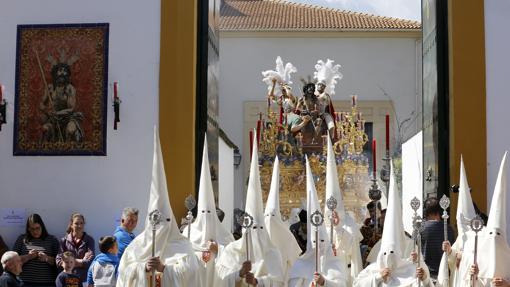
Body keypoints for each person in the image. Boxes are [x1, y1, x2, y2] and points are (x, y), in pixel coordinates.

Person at [116, 129, 201, 286]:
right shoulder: (137, 245)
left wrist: (164, 268)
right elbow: (123, 271)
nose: (159, 227)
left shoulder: (183, 245)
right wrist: (143, 268)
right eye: (155, 221)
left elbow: (192, 273)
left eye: (164, 221)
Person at [216, 134, 284, 286]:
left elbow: (279, 281)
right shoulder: (231, 251)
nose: (255, 233)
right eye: (252, 228)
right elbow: (220, 280)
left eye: (259, 228)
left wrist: (257, 281)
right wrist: (238, 274)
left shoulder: (273, 253)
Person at [354, 162, 434, 287]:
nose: (389, 257)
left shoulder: (410, 267)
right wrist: (378, 277)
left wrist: (423, 276)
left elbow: (425, 281)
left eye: (393, 253)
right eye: (386, 253)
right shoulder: (374, 269)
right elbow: (357, 283)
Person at [183, 135, 234, 286]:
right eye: (203, 213)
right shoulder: (188, 233)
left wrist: (218, 248)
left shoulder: (225, 236)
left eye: (209, 213)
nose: (206, 218)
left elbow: (234, 259)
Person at [288, 157, 348, 286]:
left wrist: (324, 282)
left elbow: (341, 285)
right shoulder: (299, 265)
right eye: (314, 242)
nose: (318, 247)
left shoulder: (336, 264)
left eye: (321, 241)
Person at [458, 152, 510, 286]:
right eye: (491, 234)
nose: (494, 239)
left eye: (498, 234)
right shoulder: (480, 259)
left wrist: (507, 283)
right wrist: (473, 275)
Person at [324, 136, 363, 285]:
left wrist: (339, 229)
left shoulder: (349, 222)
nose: (333, 214)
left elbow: (353, 251)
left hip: (345, 274)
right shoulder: (320, 226)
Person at [265, 156, 302, 284]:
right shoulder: (258, 235)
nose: (270, 221)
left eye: (273, 217)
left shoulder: (288, 238)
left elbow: (296, 266)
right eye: (267, 217)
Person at [39, 51, 84, 143]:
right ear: (55, 73)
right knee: (45, 129)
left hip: (68, 118)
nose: (62, 73)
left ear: (67, 74)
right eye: (60, 70)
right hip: (53, 119)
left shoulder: (70, 88)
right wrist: (47, 110)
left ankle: (69, 150)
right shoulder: (50, 88)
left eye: (64, 71)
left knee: (71, 129)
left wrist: (58, 113)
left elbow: (71, 109)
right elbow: (41, 104)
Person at [13, 213, 60, 287]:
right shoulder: (22, 239)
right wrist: (28, 256)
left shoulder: (52, 240)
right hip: (24, 282)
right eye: (32, 229)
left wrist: (46, 258)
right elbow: (13, 260)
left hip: (47, 283)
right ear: (28, 229)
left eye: (37, 228)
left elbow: (59, 262)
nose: (35, 232)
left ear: (42, 227)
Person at [420, 197, 455, 279]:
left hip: (425, 274)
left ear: (426, 212)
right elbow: (452, 252)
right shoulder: (448, 229)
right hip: (444, 273)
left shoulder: (420, 228)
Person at [56, 213, 95, 284]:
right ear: (71, 225)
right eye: (76, 223)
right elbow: (58, 260)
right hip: (67, 279)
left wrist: (68, 261)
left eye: (81, 223)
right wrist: (82, 261)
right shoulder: (64, 241)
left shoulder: (89, 240)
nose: (79, 226)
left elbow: (90, 262)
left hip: (83, 280)